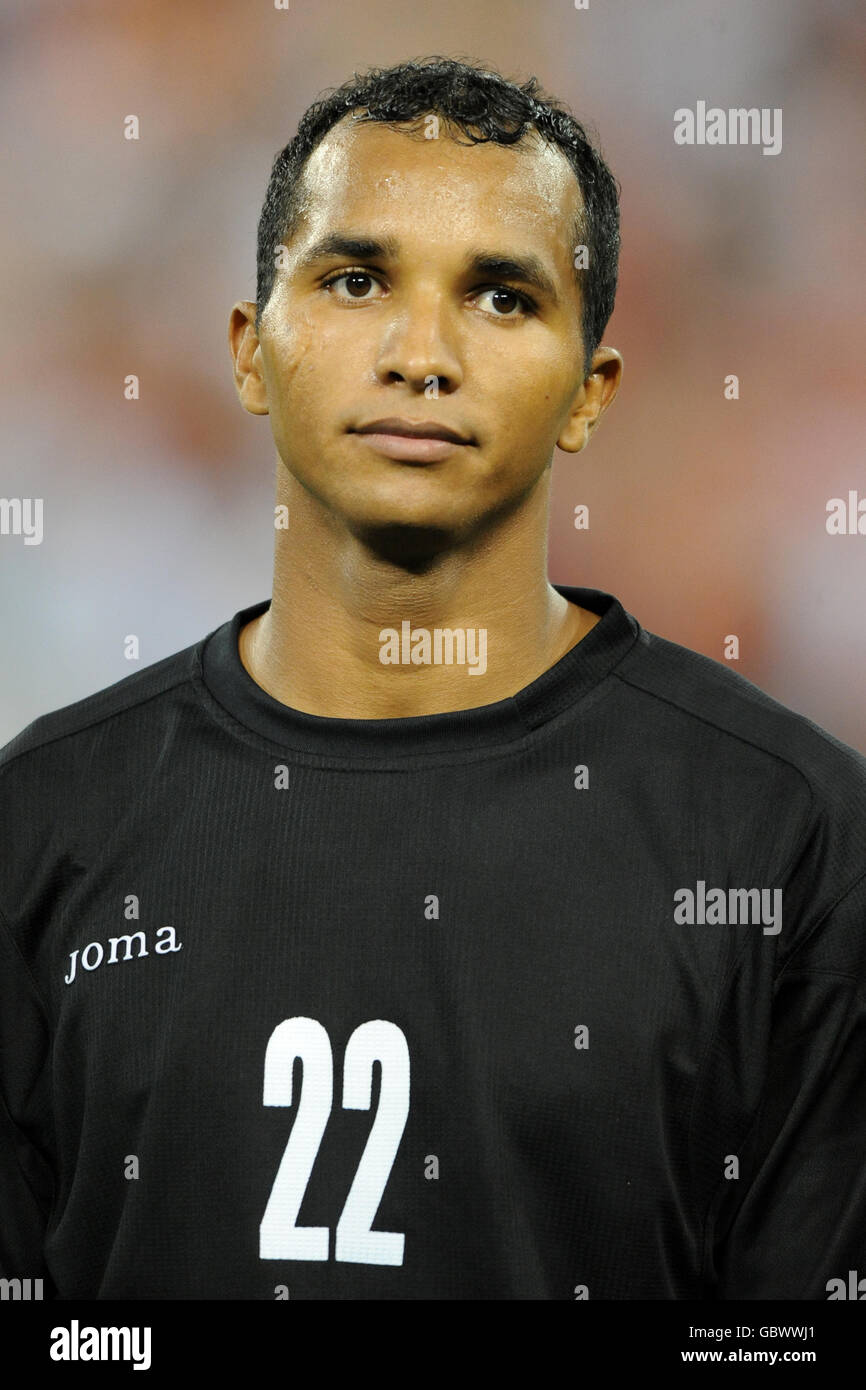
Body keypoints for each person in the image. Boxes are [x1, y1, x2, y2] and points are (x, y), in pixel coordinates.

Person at [1, 55, 864, 1302]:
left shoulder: (787, 838)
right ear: (249, 352)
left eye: (502, 297)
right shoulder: (44, 821)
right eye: (355, 280)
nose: (421, 352)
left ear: (590, 391)